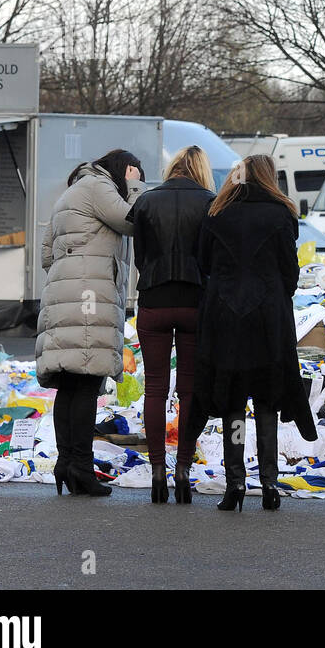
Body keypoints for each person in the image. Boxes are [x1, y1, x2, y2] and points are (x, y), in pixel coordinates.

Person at [194, 154, 318, 512]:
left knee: (233, 400)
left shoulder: (217, 212)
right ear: (269, 177)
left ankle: (234, 484)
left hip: (226, 316)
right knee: (267, 400)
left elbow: (204, 263)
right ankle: (269, 484)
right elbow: (289, 271)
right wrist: (275, 293)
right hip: (269, 317)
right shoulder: (282, 214)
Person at [36, 149, 145, 497]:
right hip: (89, 296)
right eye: (132, 174)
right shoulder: (99, 187)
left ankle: (66, 462)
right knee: (86, 381)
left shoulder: (72, 191)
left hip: (65, 294)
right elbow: (132, 220)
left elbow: (46, 254)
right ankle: (80, 467)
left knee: (69, 384)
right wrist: (134, 186)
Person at [126, 146, 216, 504]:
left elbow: (141, 258)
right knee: (190, 390)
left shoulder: (147, 201)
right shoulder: (210, 202)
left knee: (155, 389)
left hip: (154, 300)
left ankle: (157, 471)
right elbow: (211, 258)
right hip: (195, 301)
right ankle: (183, 469)